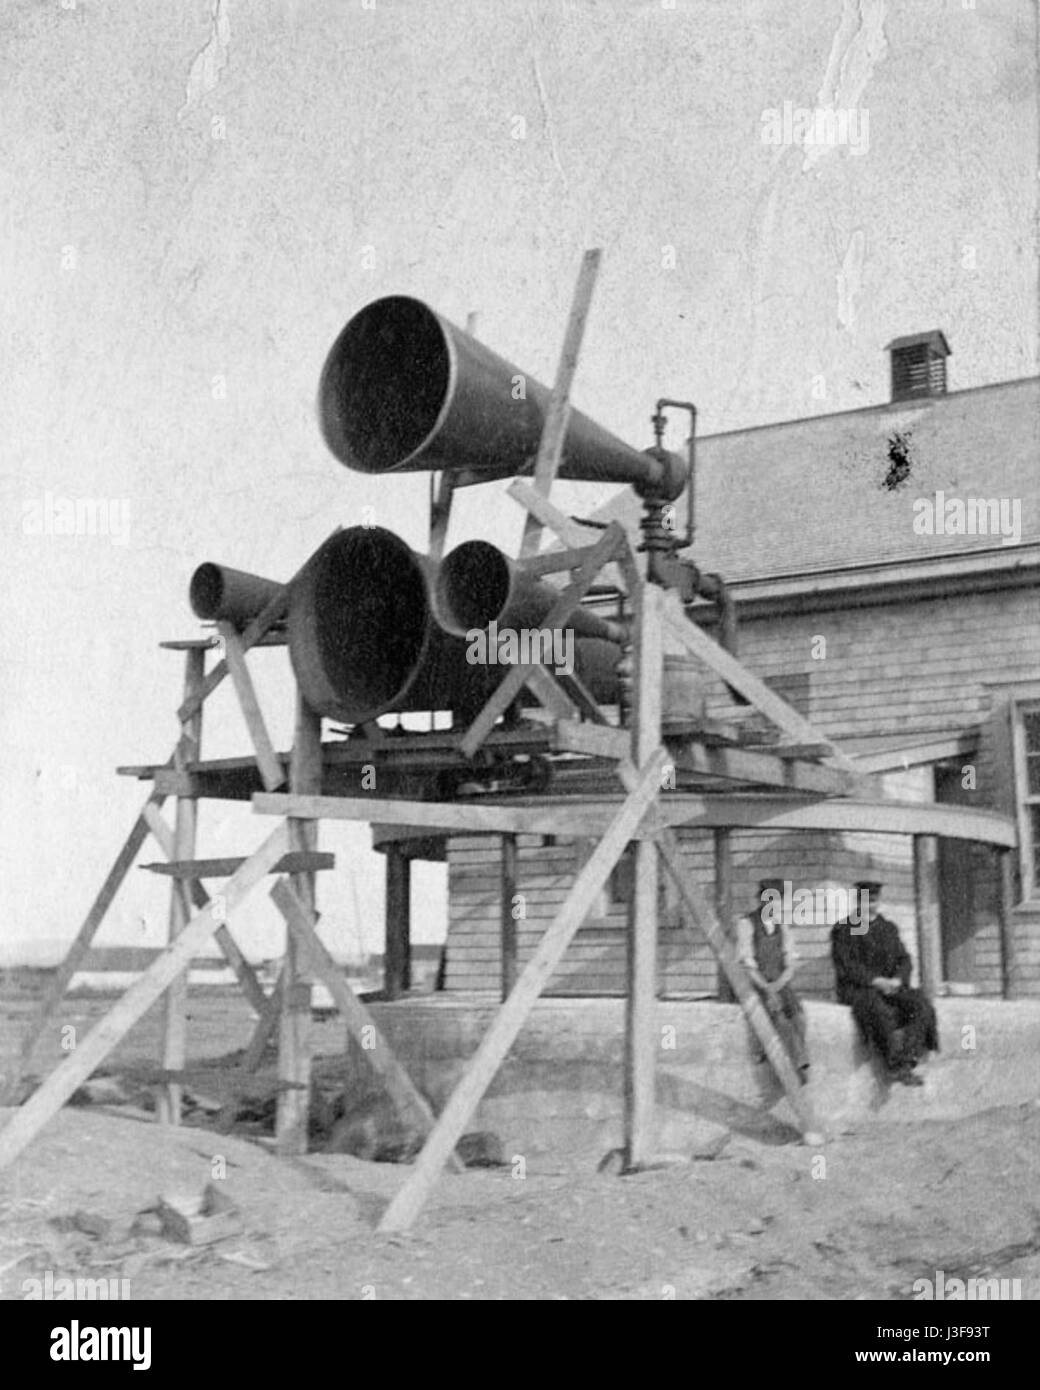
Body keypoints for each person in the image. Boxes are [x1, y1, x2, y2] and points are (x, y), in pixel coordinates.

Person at [830, 880, 939, 1086]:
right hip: (860, 988)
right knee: (877, 1009)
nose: (869, 905)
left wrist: (898, 980)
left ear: (878, 901)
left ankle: (908, 1059)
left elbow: (904, 959)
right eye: (865, 900)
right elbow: (847, 965)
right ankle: (894, 1064)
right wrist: (876, 981)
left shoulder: (887, 928)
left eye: (873, 900)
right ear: (858, 901)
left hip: (890, 986)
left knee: (920, 1003)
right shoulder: (847, 928)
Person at [737, 878, 809, 1082]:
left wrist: (778, 984)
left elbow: (790, 963)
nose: (773, 905)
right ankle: (793, 1066)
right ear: (761, 900)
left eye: (777, 900)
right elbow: (748, 964)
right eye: (768, 899)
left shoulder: (783, 925)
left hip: (780, 983)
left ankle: (798, 1061)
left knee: (799, 1017)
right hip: (757, 984)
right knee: (779, 1020)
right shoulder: (747, 923)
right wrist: (767, 988)